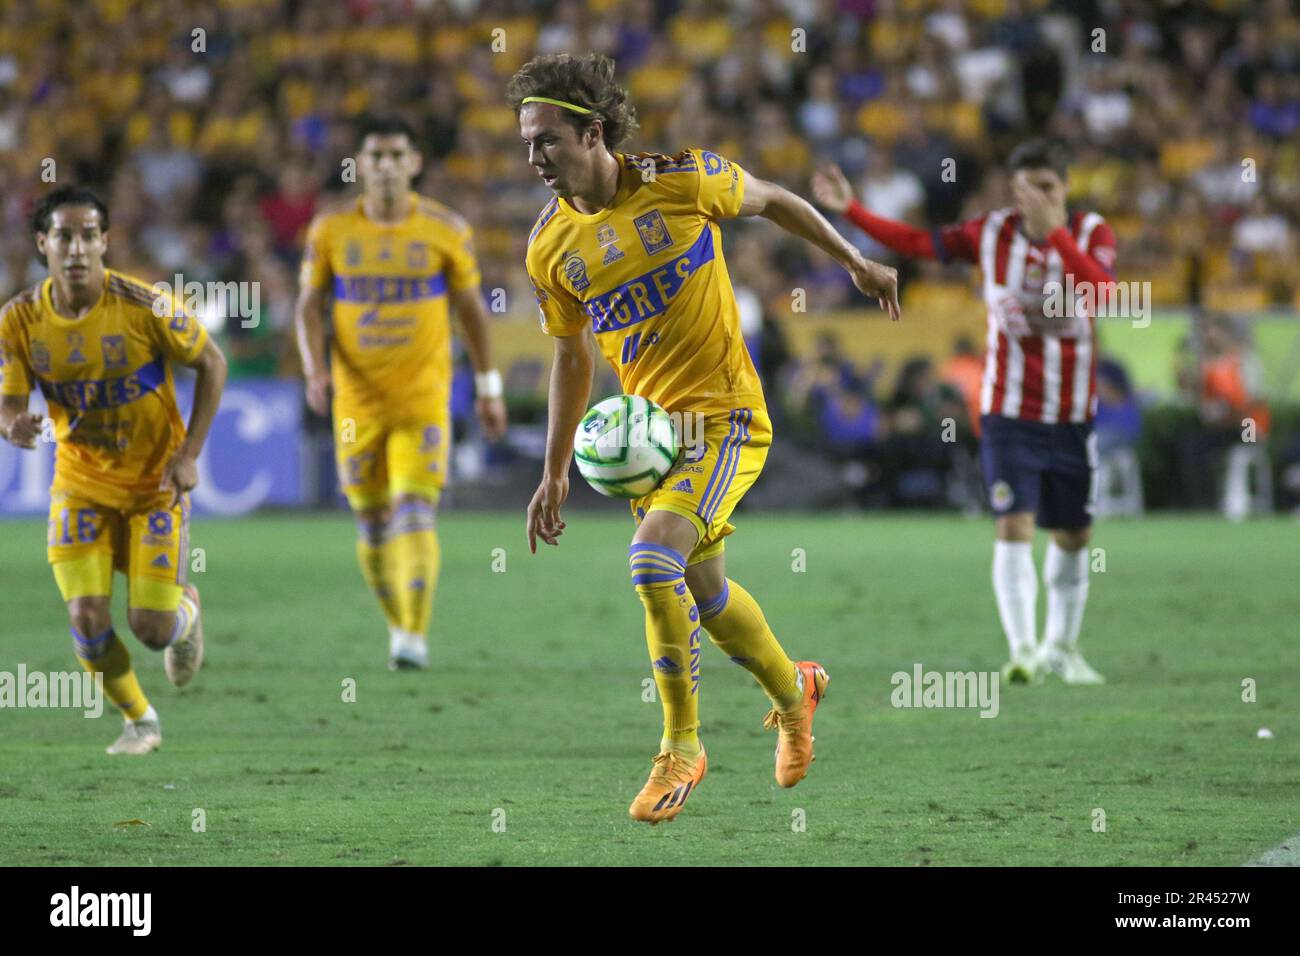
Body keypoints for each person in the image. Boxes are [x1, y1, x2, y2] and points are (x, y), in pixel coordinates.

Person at [511, 53, 899, 824]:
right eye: (525, 143)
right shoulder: (548, 248)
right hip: (653, 441)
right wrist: (554, 472)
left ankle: (681, 749)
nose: (533, 160)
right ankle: (797, 694)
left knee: (653, 559)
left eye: (547, 141)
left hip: (722, 419)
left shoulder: (681, 180)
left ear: (591, 133)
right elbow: (569, 355)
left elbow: (776, 199)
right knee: (707, 593)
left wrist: (855, 260)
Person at [815, 137, 1112, 684]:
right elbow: (917, 242)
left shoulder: (1091, 235)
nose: (1039, 201)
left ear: (1065, 187)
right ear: (1014, 193)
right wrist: (851, 211)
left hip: (1071, 413)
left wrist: (1057, 236)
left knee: (1073, 536)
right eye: (1028, 191)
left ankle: (1061, 647)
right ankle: (1023, 651)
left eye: (1049, 188)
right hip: (1008, 411)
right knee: (1013, 522)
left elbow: (1103, 294)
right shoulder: (991, 233)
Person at [0, 185, 228, 754]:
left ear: (105, 240)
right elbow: (8, 399)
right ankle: (140, 720)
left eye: (87, 235)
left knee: (151, 629)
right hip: (80, 485)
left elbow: (211, 362)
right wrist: (10, 423)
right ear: (42, 244)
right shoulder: (19, 321)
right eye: (63, 236)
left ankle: (187, 614)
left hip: (154, 485)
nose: (75, 248)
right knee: (86, 614)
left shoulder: (145, 304)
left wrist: (189, 453)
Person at [295, 116, 508, 671]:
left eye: (396, 155)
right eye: (376, 156)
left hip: (423, 399)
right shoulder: (331, 230)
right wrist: (316, 370)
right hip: (355, 403)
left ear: (414, 163)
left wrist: (487, 387)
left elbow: (471, 313)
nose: (386, 166)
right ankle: (398, 625)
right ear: (360, 164)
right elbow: (307, 306)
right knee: (370, 522)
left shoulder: (445, 229)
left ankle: (413, 636)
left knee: (415, 512)